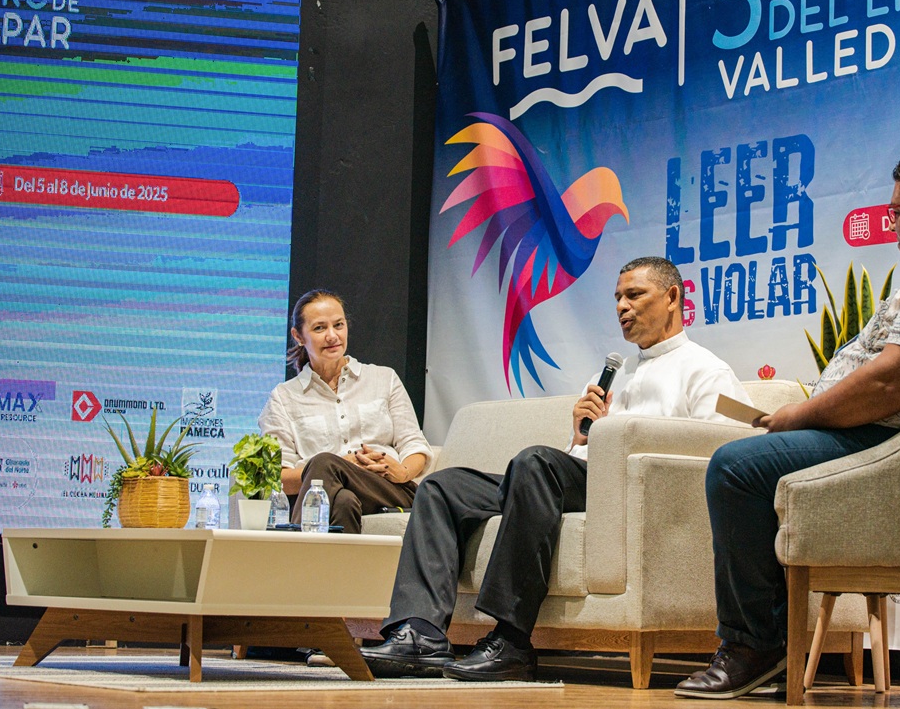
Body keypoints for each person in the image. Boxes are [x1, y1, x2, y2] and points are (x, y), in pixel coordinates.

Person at [675, 147, 900, 700]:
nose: (890, 225)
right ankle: (768, 644)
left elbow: (891, 383)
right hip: (892, 441)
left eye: (896, 213)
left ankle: (755, 646)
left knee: (737, 468)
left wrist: (798, 415)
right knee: (748, 462)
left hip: (898, 448)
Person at [361, 256, 751, 682]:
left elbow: (721, 453)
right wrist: (580, 437)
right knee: (441, 487)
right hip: (576, 480)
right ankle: (421, 634)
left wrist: (614, 435)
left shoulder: (704, 369)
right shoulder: (617, 373)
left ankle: (510, 641)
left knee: (535, 462)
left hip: (626, 489)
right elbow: (576, 457)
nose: (622, 306)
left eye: (635, 295)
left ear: (673, 297)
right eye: (617, 297)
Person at [258, 289, 432, 535]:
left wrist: (401, 471)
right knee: (341, 499)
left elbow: (415, 446)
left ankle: (291, 558)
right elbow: (280, 478)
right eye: (319, 328)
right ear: (298, 336)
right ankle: (344, 574)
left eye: (338, 325)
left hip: (388, 489)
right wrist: (341, 468)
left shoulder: (384, 378)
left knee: (324, 462)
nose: (332, 336)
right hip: (324, 498)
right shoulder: (284, 397)